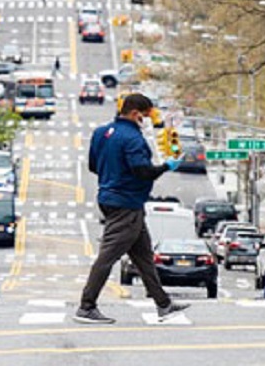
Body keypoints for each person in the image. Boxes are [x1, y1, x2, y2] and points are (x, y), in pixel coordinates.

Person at [75, 93, 189, 324]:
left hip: (112, 198)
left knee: (144, 257)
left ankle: (163, 304)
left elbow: (93, 165)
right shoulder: (133, 139)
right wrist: (166, 166)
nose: (147, 120)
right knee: (107, 257)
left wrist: (113, 176)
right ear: (136, 114)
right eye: (146, 116)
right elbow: (142, 171)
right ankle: (86, 306)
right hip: (125, 203)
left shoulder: (101, 133)